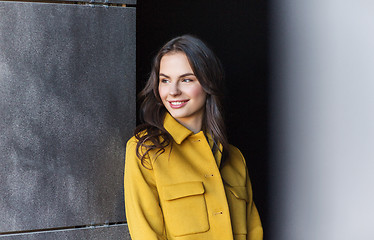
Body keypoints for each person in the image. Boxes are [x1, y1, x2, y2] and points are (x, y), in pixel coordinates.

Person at [124, 35, 263, 240]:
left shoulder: (235, 159)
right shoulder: (145, 149)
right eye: (165, 80)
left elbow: (254, 233)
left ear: (208, 83)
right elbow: (145, 233)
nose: (173, 91)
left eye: (186, 79)